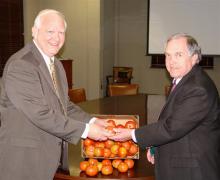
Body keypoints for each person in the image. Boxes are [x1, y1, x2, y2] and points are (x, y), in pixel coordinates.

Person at [0, 9, 111, 180]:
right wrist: (86, 130)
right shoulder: (21, 65)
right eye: (50, 31)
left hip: (47, 157)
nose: (56, 37)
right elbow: (40, 114)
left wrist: (92, 120)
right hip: (24, 161)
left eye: (61, 32)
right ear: (34, 31)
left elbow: (63, 105)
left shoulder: (56, 64)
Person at [110, 33, 220, 180]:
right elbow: (176, 121)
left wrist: (132, 134)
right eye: (168, 55)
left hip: (193, 171)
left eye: (178, 55)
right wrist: (155, 145)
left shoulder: (198, 88)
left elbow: (171, 127)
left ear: (194, 58)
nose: (171, 61)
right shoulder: (185, 80)